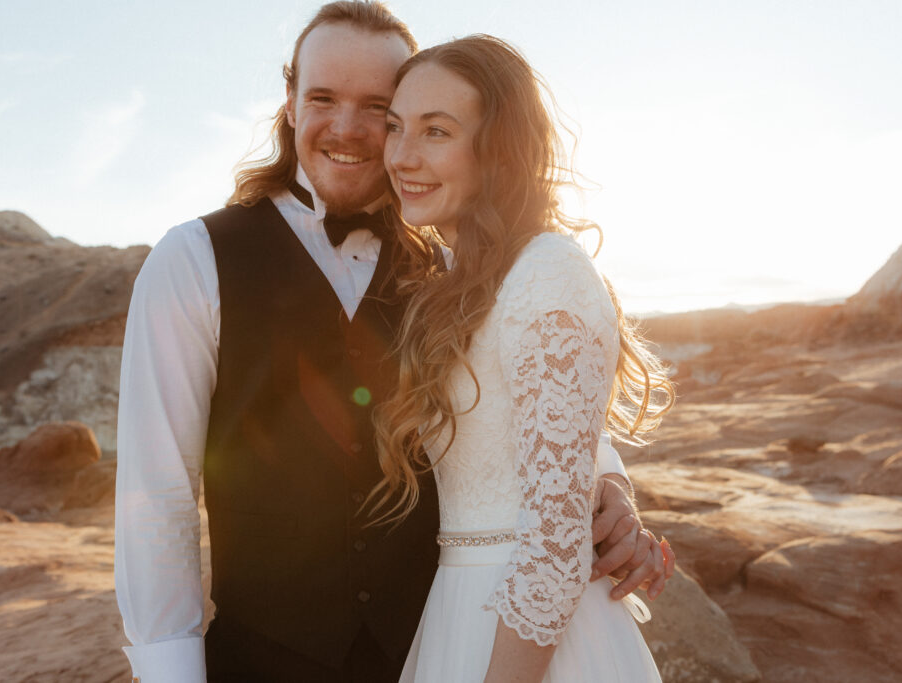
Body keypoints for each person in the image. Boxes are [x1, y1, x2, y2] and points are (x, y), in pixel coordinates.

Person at [114, 3, 671, 682]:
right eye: (322, 97)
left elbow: (535, 397)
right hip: (262, 661)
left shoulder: (453, 271)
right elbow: (157, 496)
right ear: (290, 100)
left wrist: (611, 485)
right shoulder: (192, 260)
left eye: (377, 107)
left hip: (436, 648)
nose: (346, 128)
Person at [371, 35, 675, 682]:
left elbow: (553, 546)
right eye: (395, 128)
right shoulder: (459, 279)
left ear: (499, 150)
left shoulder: (547, 272)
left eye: (436, 131)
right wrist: (609, 478)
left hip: (532, 643)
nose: (401, 155)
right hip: (461, 608)